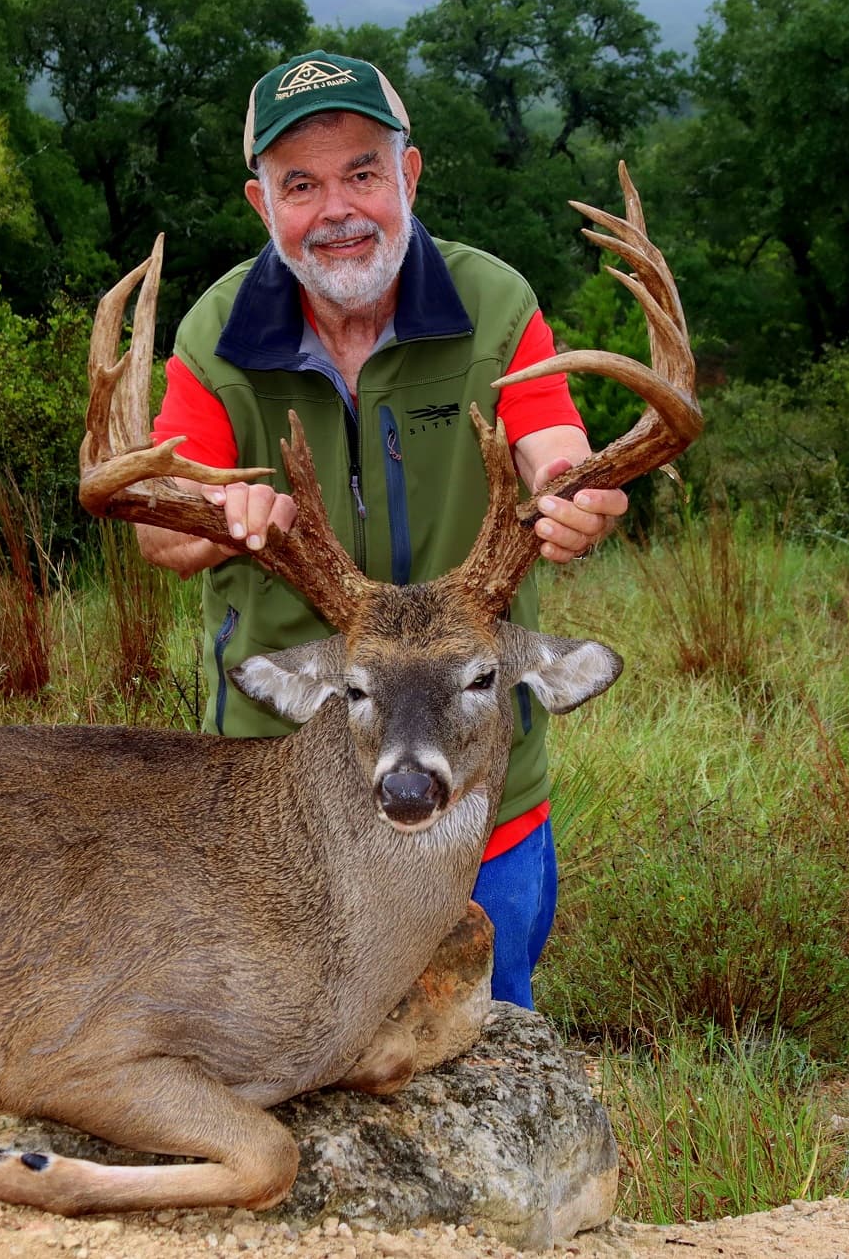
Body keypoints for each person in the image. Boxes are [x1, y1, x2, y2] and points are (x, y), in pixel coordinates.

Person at [137, 50, 627, 1007]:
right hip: (280, 787)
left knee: (488, 1033)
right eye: (301, 185)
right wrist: (220, 515)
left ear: (407, 174)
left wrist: (574, 488)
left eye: (362, 171)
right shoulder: (216, 331)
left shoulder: (492, 303)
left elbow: (552, 438)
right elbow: (161, 522)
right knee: (286, 1041)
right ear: (261, 203)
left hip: (479, 775)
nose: (337, 210)